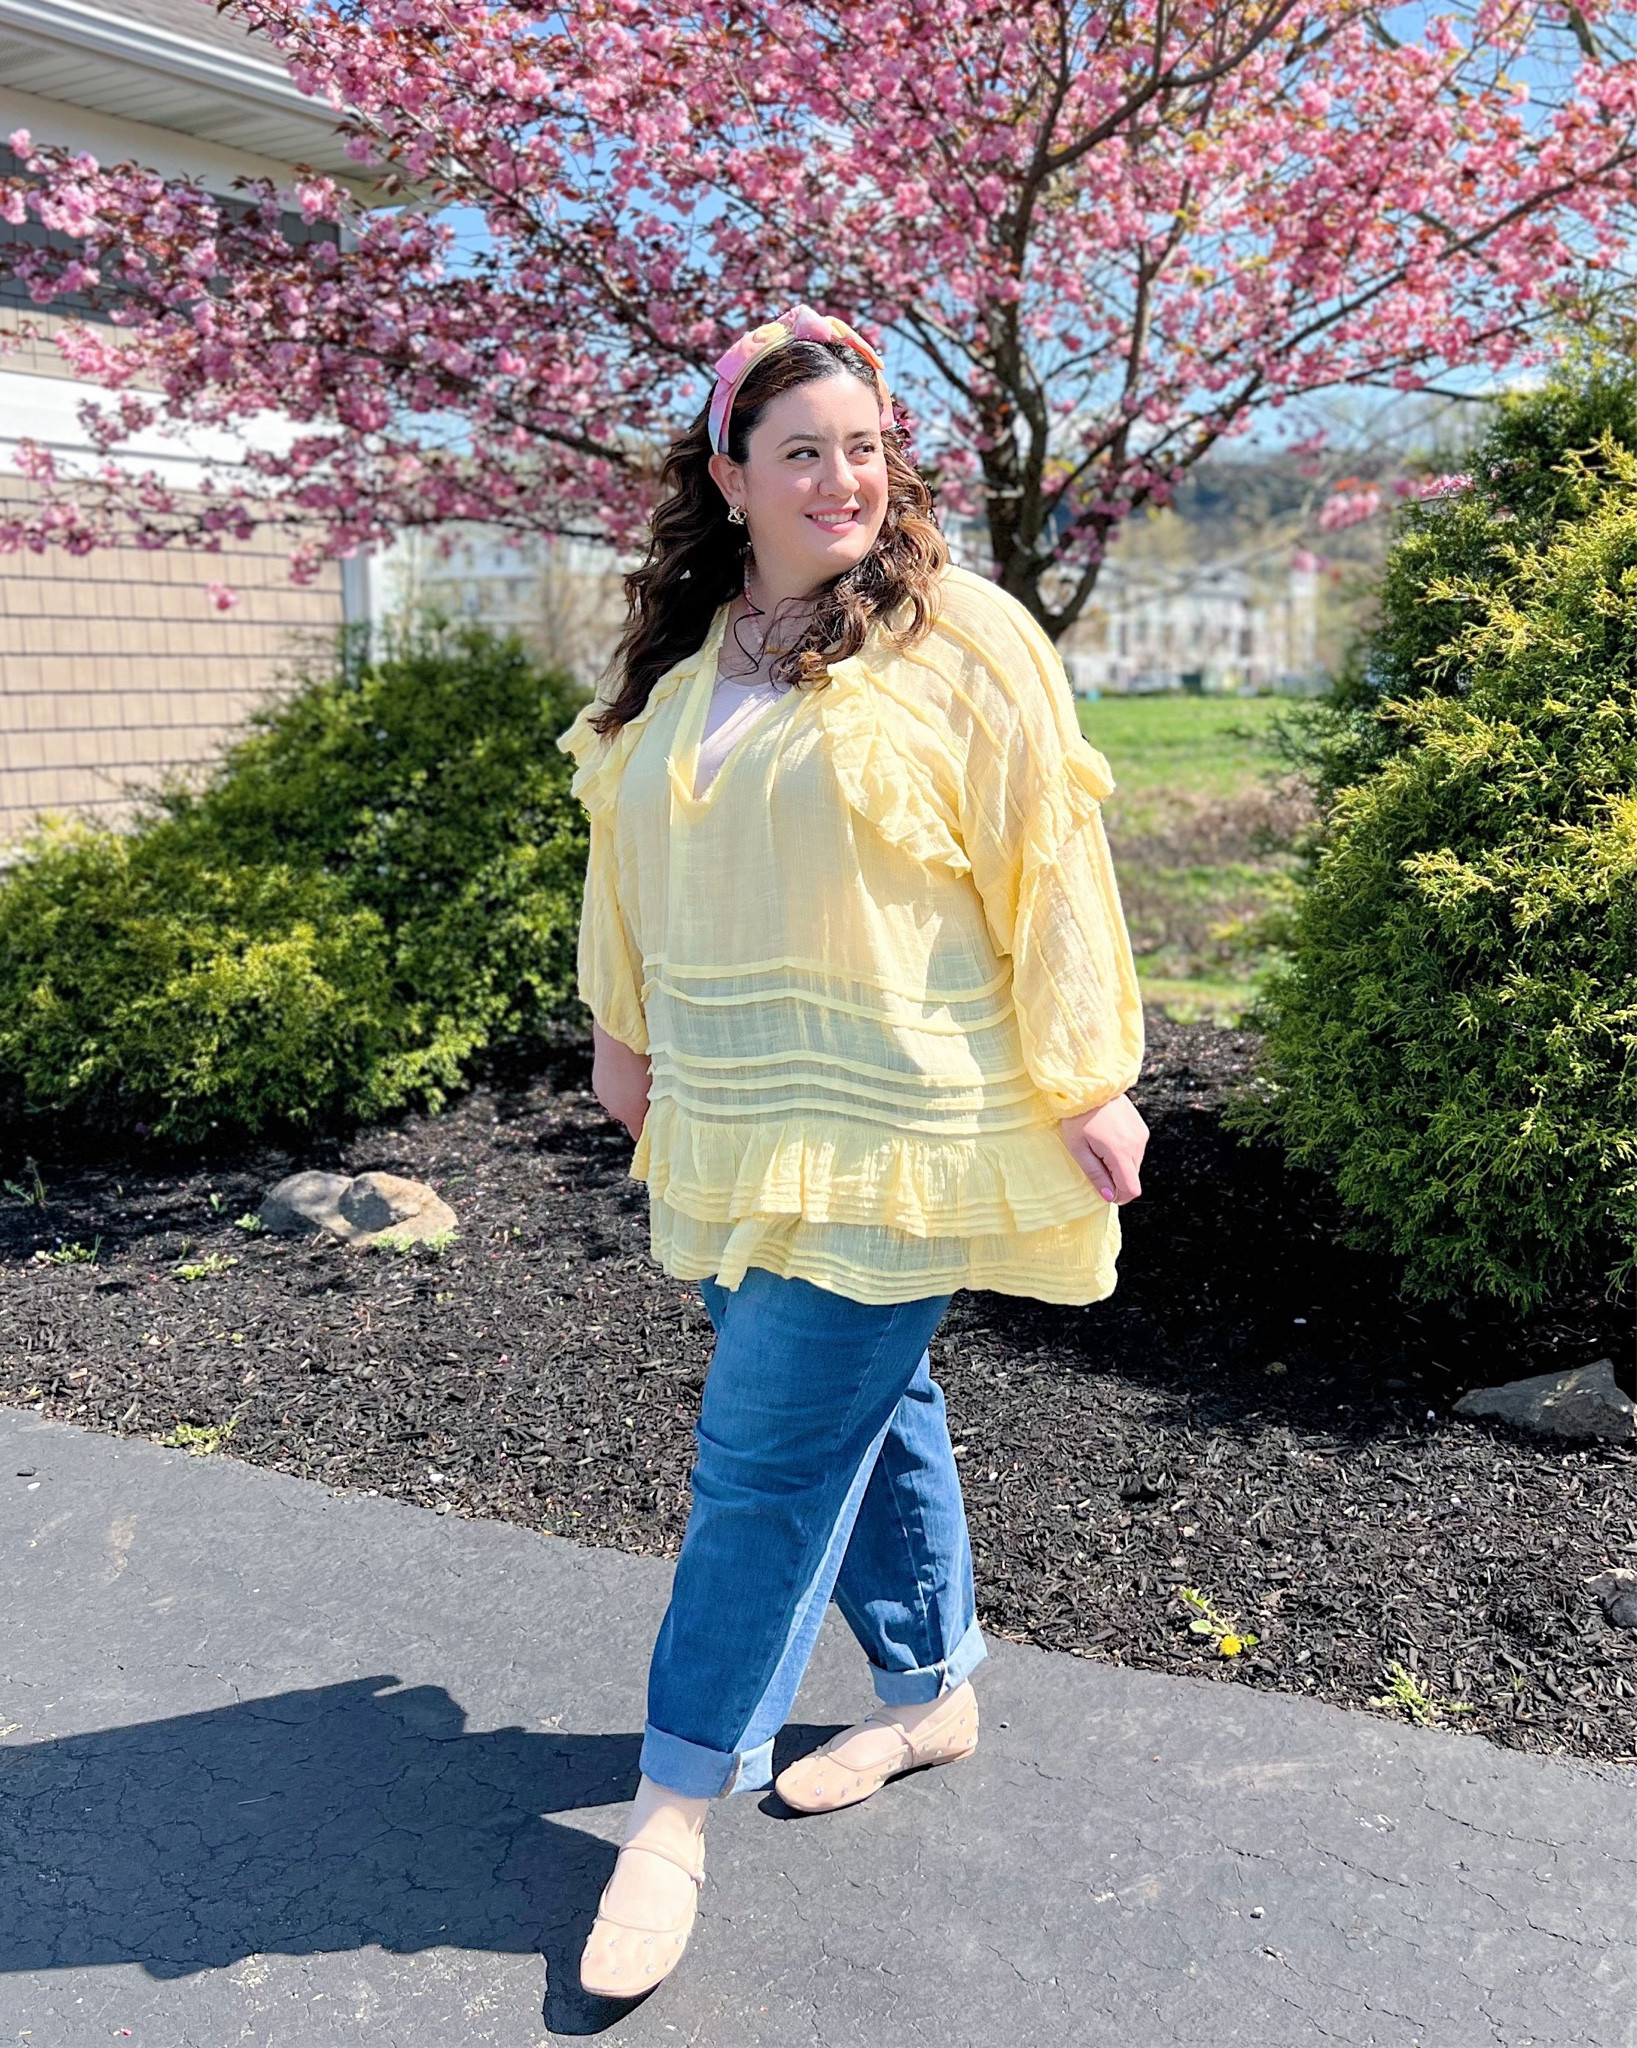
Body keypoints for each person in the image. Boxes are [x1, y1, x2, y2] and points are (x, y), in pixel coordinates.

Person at [556, 304, 1148, 2001]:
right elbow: (628, 859)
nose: (841, 480)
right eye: (802, 450)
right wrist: (623, 1034)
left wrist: (1086, 1075)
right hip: (736, 1119)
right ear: (729, 474)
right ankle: (931, 1688)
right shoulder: (687, 661)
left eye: (866, 449)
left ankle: (671, 1808)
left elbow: (1048, 859)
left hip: (903, 1124)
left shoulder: (960, 634)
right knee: (873, 1412)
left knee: (762, 1459)